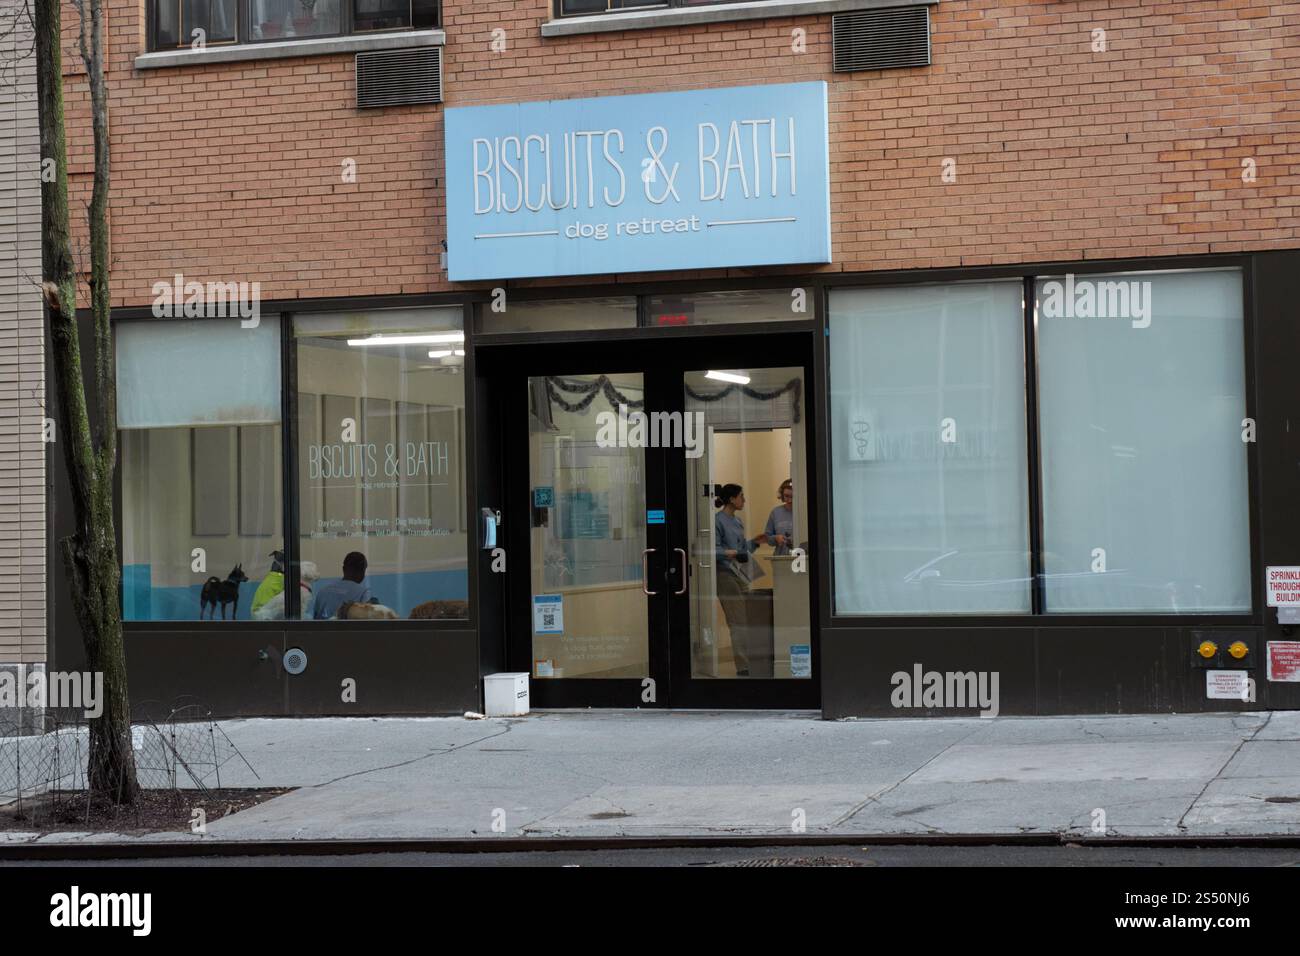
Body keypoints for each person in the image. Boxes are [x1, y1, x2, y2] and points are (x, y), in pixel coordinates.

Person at [713, 483, 770, 677]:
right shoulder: (717, 521)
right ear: (731, 499)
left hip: (739, 573)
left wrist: (754, 542)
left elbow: (741, 549)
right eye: (741, 496)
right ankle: (743, 667)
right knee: (737, 622)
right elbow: (713, 549)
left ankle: (751, 661)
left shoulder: (737, 522)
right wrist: (729, 553)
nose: (744, 500)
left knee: (750, 617)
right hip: (725, 574)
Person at [313, 551, 373, 620]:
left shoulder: (322, 591)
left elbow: (315, 621)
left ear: (343, 569)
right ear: (362, 572)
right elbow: (367, 622)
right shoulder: (364, 593)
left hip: (322, 630)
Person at [764, 479, 795, 557]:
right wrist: (776, 538)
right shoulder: (775, 512)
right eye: (787, 496)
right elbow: (767, 537)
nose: (790, 500)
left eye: (792, 496)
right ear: (782, 495)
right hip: (781, 558)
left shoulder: (804, 512)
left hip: (801, 558)